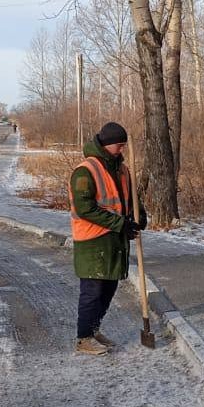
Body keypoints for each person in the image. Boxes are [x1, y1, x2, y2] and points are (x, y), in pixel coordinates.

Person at [68, 122, 146, 356]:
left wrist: (139, 216)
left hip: (114, 240)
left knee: (109, 288)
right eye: (119, 146)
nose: (122, 150)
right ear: (107, 143)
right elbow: (85, 208)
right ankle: (84, 338)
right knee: (93, 290)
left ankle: (94, 330)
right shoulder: (85, 170)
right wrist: (121, 223)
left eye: (124, 146)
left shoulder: (122, 169)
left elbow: (130, 199)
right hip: (92, 241)